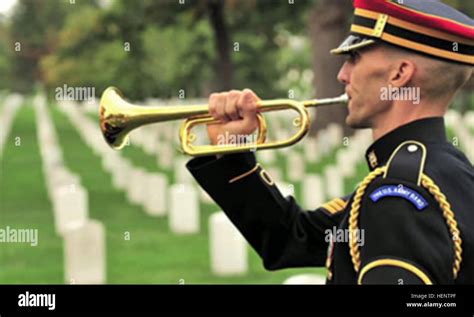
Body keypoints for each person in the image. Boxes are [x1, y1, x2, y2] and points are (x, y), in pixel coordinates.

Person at [186, 0, 474, 284]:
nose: (342, 75)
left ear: (399, 74)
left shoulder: (396, 197)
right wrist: (231, 152)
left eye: (354, 58)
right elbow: (294, 239)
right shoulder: (448, 171)